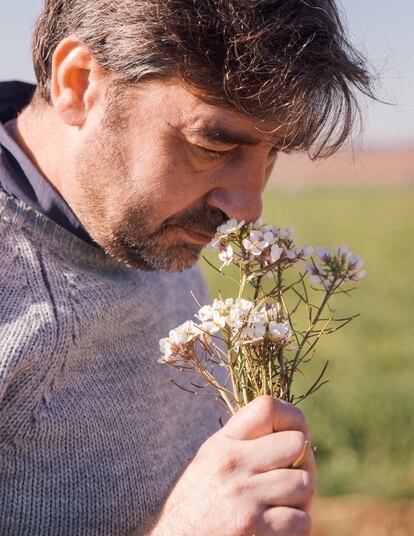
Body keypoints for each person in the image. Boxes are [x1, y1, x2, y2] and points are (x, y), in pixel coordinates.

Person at [0, 1, 372, 534]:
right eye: (214, 142)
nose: (248, 207)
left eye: (272, 154)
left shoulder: (144, 222)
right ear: (78, 83)